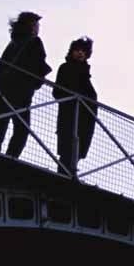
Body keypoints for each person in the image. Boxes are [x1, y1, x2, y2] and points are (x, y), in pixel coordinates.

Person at [0, 12, 50, 157]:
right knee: (22, 129)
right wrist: (38, 81)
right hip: (21, 92)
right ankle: (11, 158)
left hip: (2, 90)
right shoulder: (34, 41)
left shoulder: (13, 43)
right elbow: (38, 64)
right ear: (32, 26)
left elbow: (1, 67)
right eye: (37, 24)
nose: (38, 28)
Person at [54, 36, 98, 177]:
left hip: (85, 120)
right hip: (69, 117)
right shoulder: (65, 68)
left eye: (83, 51)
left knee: (78, 151)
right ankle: (64, 177)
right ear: (72, 51)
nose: (80, 53)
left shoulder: (85, 74)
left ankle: (69, 175)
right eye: (77, 50)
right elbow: (57, 92)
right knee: (68, 151)